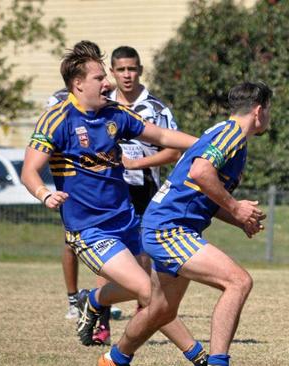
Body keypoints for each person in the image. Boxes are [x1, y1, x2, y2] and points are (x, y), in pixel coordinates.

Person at [21, 40, 208, 365]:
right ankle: (198, 356)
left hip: (127, 221)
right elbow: (29, 171)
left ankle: (93, 300)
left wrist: (209, 145)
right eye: (99, 78)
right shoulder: (57, 119)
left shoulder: (114, 114)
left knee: (154, 283)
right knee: (150, 293)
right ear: (78, 84)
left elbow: (161, 137)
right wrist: (45, 193)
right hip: (89, 231)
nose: (107, 83)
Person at [98, 81, 272, 366]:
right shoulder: (231, 135)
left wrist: (238, 219)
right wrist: (236, 207)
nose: (268, 117)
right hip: (169, 228)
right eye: (268, 110)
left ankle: (114, 360)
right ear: (258, 110)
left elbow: (202, 190)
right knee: (238, 282)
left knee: (161, 311)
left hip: (166, 225)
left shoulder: (223, 133)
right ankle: (218, 363)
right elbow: (201, 172)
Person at [48, 45, 182, 345]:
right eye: (119, 69)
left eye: (131, 69)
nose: (125, 75)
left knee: (142, 263)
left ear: (140, 71)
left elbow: (169, 146)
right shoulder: (99, 105)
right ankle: (101, 324)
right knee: (107, 258)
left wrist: (137, 162)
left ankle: (139, 313)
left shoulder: (154, 109)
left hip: (143, 190)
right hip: (103, 195)